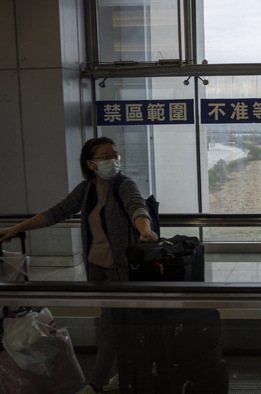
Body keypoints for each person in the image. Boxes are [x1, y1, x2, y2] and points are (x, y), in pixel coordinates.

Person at [0, 137, 159, 394]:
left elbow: (137, 208)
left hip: (119, 268)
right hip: (96, 265)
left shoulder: (124, 185)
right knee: (117, 323)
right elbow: (56, 212)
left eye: (115, 155)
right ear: (91, 163)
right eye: (105, 156)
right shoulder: (86, 189)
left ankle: (97, 383)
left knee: (110, 324)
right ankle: (126, 371)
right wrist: (18, 228)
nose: (113, 161)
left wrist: (145, 230)